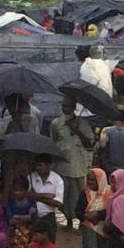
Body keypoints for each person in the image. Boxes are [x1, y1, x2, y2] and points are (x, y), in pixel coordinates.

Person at [50, 96, 94, 230]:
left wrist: (77, 130)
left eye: (68, 106)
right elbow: (53, 143)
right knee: (63, 197)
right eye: (63, 106)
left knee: (78, 197)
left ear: (74, 108)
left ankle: (80, 221)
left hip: (78, 166)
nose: (65, 109)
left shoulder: (83, 124)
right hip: (61, 166)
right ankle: (68, 221)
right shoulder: (56, 123)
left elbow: (89, 144)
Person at [75, 168, 111, 248]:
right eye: (88, 179)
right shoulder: (84, 193)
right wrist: (87, 217)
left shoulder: (109, 192)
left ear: (100, 180)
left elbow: (113, 210)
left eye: (93, 179)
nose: (90, 182)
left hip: (106, 228)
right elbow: (77, 212)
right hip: (88, 227)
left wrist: (98, 215)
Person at [28, 154, 64, 243]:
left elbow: (58, 203)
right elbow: (26, 194)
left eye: (40, 165)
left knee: (50, 246)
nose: (37, 168)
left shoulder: (57, 180)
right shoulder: (31, 177)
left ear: (49, 166)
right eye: (36, 165)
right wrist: (45, 195)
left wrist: (36, 196)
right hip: (33, 216)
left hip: (48, 217)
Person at [98, 110, 124, 175]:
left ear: (113, 118)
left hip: (108, 169)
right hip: (123, 170)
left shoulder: (106, 130)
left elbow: (101, 146)